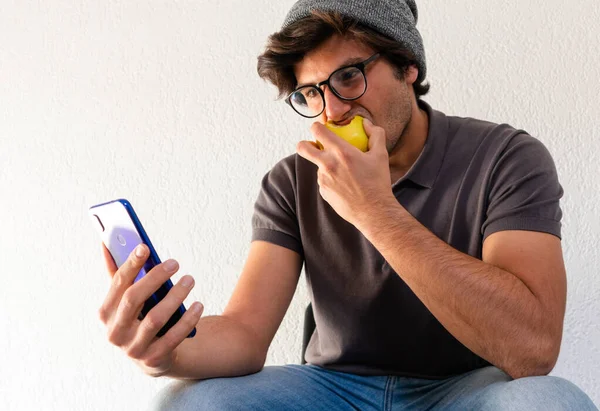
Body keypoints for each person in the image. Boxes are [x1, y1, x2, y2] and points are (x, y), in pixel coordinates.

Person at [98, 1, 597, 409]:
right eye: (311, 93)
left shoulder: (505, 157)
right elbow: (246, 333)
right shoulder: (292, 180)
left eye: (350, 77)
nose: (333, 110)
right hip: (332, 390)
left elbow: (533, 350)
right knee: (187, 403)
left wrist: (376, 211)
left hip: (465, 390)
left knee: (548, 402)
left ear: (407, 66)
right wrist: (165, 351)